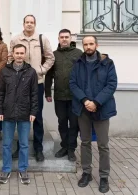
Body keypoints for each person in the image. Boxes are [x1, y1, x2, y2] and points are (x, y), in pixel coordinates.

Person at [69, 35, 117, 193]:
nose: (88, 47)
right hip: (83, 109)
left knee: (103, 145)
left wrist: (96, 102)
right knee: (85, 142)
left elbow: (111, 85)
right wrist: (85, 101)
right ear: (82, 46)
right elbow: (73, 83)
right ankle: (87, 173)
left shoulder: (107, 63)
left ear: (96, 44)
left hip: (101, 108)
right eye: (85, 44)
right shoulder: (78, 63)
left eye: (91, 44)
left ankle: (104, 176)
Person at [9, 14, 55, 161]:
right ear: (23, 24)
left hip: (37, 83)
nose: (29, 24)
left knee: (37, 116)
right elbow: (10, 58)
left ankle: (38, 148)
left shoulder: (42, 39)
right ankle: (19, 147)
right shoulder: (16, 39)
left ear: (35, 24)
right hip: (19, 83)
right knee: (20, 116)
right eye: (27, 22)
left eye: (32, 22)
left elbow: (50, 57)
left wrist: (41, 70)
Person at [0, 44, 38, 184]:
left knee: (24, 144)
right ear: (12, 54)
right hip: (7, 113)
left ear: (25, 55)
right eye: (17, 53)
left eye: (22, 53)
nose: (19, 55)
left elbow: (34, 94)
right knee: (6, 144)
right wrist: (0, 110)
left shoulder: (31, 72)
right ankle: (6, 169)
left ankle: (23, 169)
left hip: (25, 113)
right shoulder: (5, 71)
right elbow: (0, 93)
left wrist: (33, 111)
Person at [45, 29, 82, 162]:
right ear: (58, 39)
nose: (64, 39)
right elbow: (49, 75)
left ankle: (71, 149)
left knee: (73, 123)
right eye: (62, 37)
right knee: (62, 123)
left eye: (66, 37)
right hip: (59, 96)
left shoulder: (78, 53)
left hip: (75, 97)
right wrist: (48, 92)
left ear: (71, 38)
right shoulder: (54, 55)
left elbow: (83, 74)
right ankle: (64, 146)